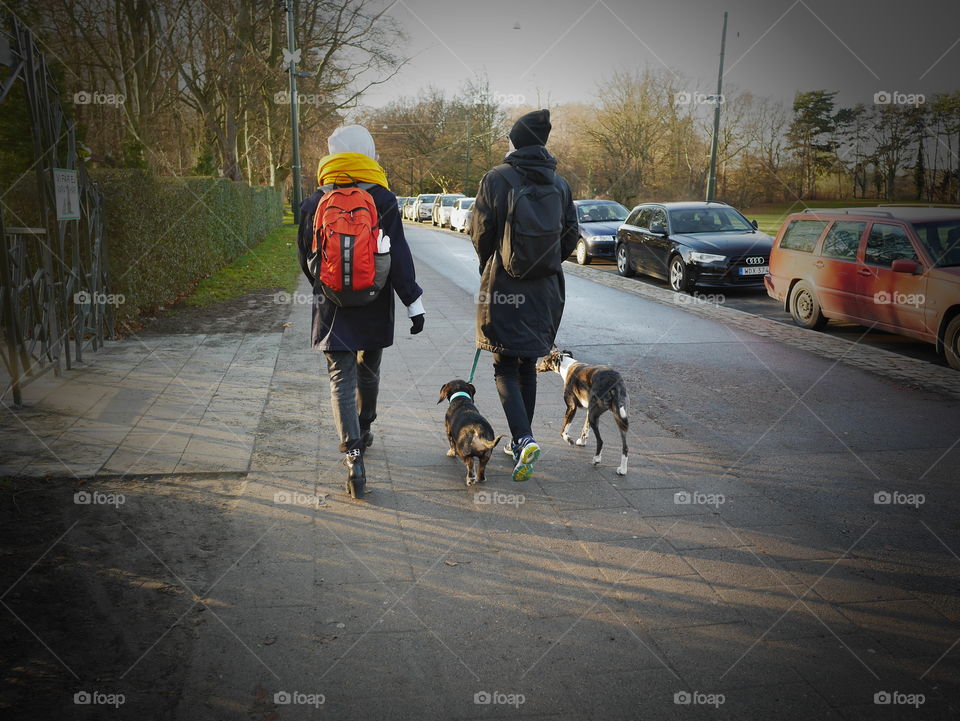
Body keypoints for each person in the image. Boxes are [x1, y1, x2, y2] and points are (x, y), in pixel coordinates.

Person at [297, 125, 425, 499]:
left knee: (341, 376)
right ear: (367, 152)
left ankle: (352, 456)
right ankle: (365, 427)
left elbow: (306, 258)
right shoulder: (383, 198)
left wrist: (326, 288)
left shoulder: (314, 200)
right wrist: (413, 303)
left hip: (332, 303)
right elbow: (398, 255)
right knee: (369, 368)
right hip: (374, 298)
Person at [471, 109, 578, 482]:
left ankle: (523, 438)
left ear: (515, 141)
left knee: (503, 366)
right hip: (546, 291)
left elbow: (481, 234)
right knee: (527, 364)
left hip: (504, 287)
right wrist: (545, 263)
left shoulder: (496, 179)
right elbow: (570, 237)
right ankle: (522, 441)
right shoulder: (560, 185)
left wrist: (490, 267)